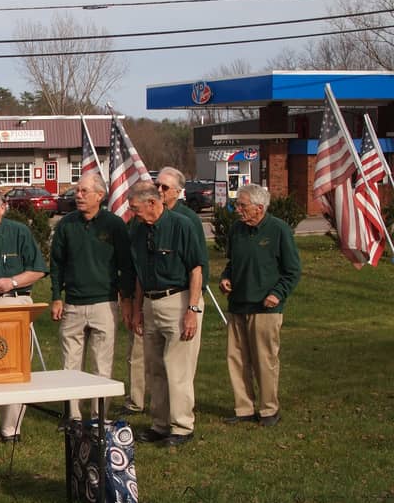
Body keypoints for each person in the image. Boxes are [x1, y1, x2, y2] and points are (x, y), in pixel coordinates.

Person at [48, 171, 133, 423]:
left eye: (84, 191)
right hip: (72, 304)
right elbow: (56, 264)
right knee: (70, 365)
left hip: (104, 304)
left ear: (100, 195)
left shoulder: (114, 225)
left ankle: (99, 417)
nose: (78, 195)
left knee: (101, 364)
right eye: (77, 191)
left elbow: (126, 265)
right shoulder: (66, 225)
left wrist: (126, 299)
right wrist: (56, 296)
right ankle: (72, 416)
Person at [122, 167, 209, 415]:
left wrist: (192, 309)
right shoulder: (138, 229)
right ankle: (159, 423)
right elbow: (139, 273)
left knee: (177, 368)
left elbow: (196, 269)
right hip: (150, 303)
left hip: (178, 300)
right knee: (155, 369)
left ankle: (181, 425)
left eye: (135, 209)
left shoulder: (183, 225)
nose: (133, 214)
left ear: (151, 203)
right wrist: (138, 310)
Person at [0, 187, 47, 442]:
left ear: (3, 207)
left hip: (14, 301)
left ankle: (11, 428)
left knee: (16, 365)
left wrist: (12, 282)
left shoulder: (19, 232)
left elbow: (37, 270)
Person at [219, 184, 301, 427]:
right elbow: (232, 263)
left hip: (265, 308)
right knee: (237, 359)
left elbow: (293, 271)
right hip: (237, 306)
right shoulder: (236, 230)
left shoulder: (278, 230)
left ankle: (268, 410)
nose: (237, 210)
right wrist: (226, 278)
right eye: (237, 205)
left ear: (259, 207)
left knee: (264, 359)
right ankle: (243, 408)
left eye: (242, 205)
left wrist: (278, 294)